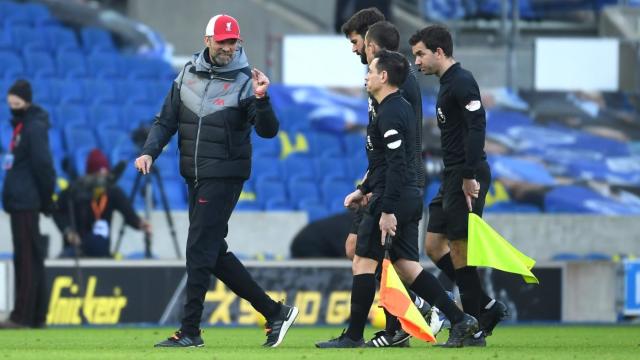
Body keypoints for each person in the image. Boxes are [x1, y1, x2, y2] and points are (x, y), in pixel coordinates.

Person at [134, 14, 297, 348]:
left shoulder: (246, 81)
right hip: (194, 175)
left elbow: (268, 131)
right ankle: (274, 311)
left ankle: (190, 330)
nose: (228, 47)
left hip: (224, 173)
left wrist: (263, 99)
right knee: (211, 251)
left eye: (232, 41)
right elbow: (166, 120)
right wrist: (150, 151)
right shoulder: (186, 75)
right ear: (207, 39)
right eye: (222, 41)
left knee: (198, 249)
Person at [316, 50, 478, 349]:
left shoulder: (390, 111)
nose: (366, 76)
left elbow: (397, 164)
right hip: (406, 196)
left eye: (371, 71)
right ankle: (460, 320)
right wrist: (362, 189)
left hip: (393, 198)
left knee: (363, 261)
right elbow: (384, 162)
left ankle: (352, 336)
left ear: (384, 76)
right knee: (406, 265)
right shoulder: (394, 107)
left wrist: (386, 209)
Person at [341, 9, 437, 348]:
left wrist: (380, 191)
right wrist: (366, 184)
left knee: (369, 253)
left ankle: (415, 312)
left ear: (370, 41)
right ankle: (422, 316)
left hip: (398, 181)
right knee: (395, 259)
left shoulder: (395, 86)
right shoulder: (382, 83)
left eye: (356, 43)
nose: (355, 50)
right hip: (391, 179)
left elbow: (397, 146)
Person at [409, 25, 509, 346]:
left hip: (467, 175)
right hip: (451, 175)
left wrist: (468, 176)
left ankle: (474, 328)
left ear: (439, 52)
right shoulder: (446, 83)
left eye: (421, 54)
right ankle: (488, 307)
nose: (417, 61)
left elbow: (477, 127)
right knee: (434, 246)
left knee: (460, 249)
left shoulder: (463, 82)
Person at [0, 79, 56, 329]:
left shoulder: (32, 128)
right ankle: (36, 315)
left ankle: (22, 316)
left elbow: (43, 166)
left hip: (26, 201)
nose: (12, 107)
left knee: (26, 259)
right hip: (21, 200)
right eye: (10, 104)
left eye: (17, 103)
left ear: (27, 101)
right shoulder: (25, 125)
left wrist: (46, 199)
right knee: (31, 257)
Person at [54, 149, 151, 258]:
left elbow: (129, 213)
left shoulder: (112, 191)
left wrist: (140, 223)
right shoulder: (75, 190)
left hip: (101, 251)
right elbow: (56, 210)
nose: (102, 179)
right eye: (98, 175)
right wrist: (68, 231)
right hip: (75, 249)